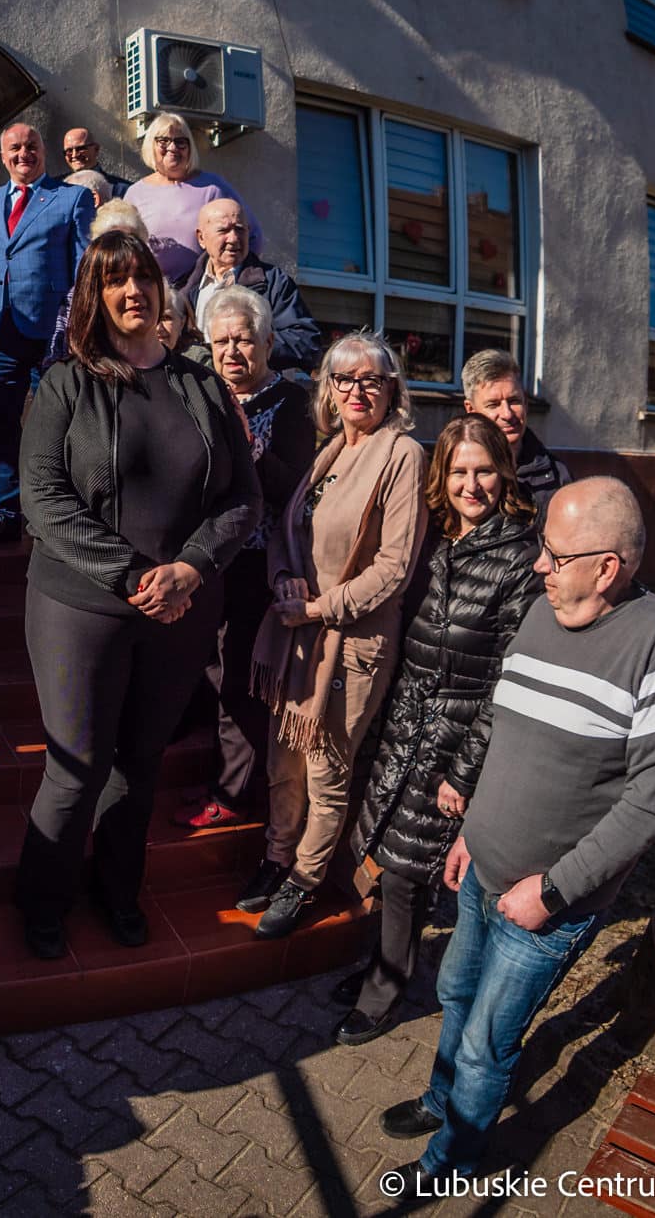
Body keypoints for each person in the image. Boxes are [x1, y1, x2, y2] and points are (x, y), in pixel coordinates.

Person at [380, 477, 655, 1187]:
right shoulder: (539, 615)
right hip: (482, 867)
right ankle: (441, 1104)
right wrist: (474, 829)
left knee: (488, 1041)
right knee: (457, 993)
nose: (538, 566)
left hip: (546, 903)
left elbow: (650, 805)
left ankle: (452, 1161)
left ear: (607, 566)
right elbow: (508, 728)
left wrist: (553, 892)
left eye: (554, 554)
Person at [12, 231, 261, 960]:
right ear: (96, 294)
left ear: (161, 289)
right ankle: (43, 897)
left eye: (143, 279)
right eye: (115, 281)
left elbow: (242, 497)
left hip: (181, 609)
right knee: (78, 764)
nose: (132, 293)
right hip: (79, 607)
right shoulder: (67, 381)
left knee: (140, 760)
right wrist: (130, 574)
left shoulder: (202, 382)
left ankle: (117, 890)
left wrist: (190, 567)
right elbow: (43, 498)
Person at [335, 415, 540, 1047]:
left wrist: (465, 770)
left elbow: (511, 680)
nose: (470, 484)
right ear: (440, 478)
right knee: (393, 862)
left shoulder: (518, 557)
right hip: (405, 731)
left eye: (482, 470)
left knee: (402, 872)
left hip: (454, 742)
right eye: (457, 472)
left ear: (503, 475)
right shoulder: (440, 544)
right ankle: (384, 964)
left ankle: (386, 990)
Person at [240, 329, 428, 940]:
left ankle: (305, 878)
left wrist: (319, 608)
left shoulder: (401, 453)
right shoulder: (328, 451)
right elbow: (283, 531)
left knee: (325, 767)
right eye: (343, 379)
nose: (356, 390)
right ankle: (275, 858)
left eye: (370, 379)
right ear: (328, 388)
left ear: (391, 388)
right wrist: (285, 579)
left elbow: (394, 568)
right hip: (298, 628)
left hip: (351, 641)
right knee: (282, 759)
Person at [174, 286, 315, 831]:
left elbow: (292, 488)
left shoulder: (294, 404)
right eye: (221, 341)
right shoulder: (201, 392)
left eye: (244, 340)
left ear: (269, 342)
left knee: (240, 679)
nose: (233, 352)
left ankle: (235, 794)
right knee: (205, 670)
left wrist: (248, 444)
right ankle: (219, 779)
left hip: (260, 562)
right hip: (206, 559)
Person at [0, 122, 97, 546]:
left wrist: (76, 326)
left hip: (51, 334)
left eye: (32, 146)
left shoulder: (70, 198)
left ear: (45, 151)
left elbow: (84, 267)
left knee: (56, 424)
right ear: (2, 156)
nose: (24, 154)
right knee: (1, 422)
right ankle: (5, 510)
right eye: (15, 148)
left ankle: (54, 514)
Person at [176, 198, 321, 371]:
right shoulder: (185, 287)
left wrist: (253, 345)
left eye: (239, 229)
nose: (234, 238)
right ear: (201, 237)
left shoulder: (272, 282)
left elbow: (306, 341)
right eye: (223, 230)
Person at [123, 113, 243, 284]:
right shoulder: (135, 193)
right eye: (163, 141)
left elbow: (252, 235)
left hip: (200, 292)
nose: (173, 147)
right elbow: (124, 247)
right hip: (150, 291)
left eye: (180, 142)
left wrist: (225, 277)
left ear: (190, 148)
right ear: (151, 145)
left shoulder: (212, 187)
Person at [460, 349, 572, 512]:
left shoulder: (557, 476)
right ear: (471, 410)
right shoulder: (452, 474)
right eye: (493, 404)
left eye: (514, 401)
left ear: (526, 403)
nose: (507, 414)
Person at [62, 127, 131, 200]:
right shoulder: (57, 187)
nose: (74, 155)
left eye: (80, 149)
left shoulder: (121, 190)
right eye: (69, 151)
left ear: (96, 149)